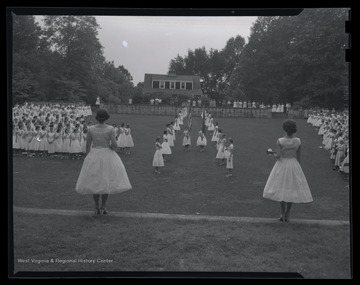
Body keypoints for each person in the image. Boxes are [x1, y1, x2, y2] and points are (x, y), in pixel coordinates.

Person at [76, 109, 132, 215]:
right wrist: (109, 146)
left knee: (95, 181)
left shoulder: (91, 129)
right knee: (106, 180)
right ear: (106, 118)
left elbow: (88, 145)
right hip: (107, 154)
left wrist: (88, 157)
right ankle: (103, 207)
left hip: (95, 154)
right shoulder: (110, 129)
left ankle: (97, 206)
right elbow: (115, 145)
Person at [263, 119, 313, 222]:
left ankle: (282, 213)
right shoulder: (298, 141)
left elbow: (278, 156)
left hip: (282, 164)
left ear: (284, 129)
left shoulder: (280, 140)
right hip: (293, 164)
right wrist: (297, 169)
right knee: (291, 189)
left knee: (282, 189)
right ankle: (288, 213)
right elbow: (298, 157)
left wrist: (270, 153)